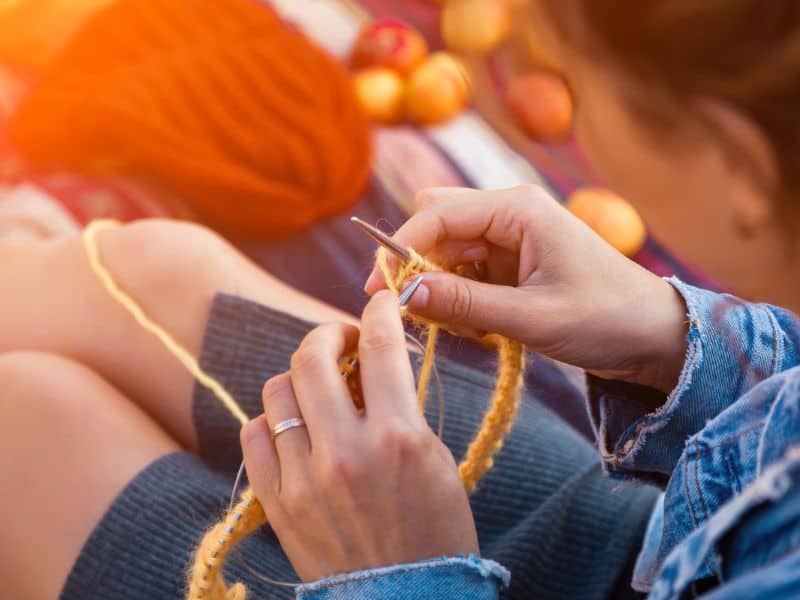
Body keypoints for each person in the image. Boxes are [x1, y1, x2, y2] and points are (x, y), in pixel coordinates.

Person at [1, 2, 798, 600]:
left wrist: (407, 574)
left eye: (578, 81)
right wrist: (672, 340)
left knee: (17, 431)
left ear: (738, 167)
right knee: (158, 267)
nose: (559, 106)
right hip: (657, 542)